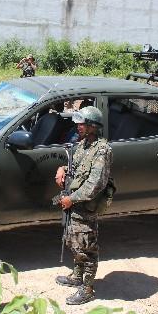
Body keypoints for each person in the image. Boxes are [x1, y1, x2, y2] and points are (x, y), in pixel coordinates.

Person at [53, 106, 114, 305]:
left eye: (82, 124)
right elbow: (75, 165)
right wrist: (62, 168)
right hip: (74, 205)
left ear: (92, 126)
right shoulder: (84, 145)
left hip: (85, 206)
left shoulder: (101, 150)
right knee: (74, 241)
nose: (78, 126)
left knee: (86, 247)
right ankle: (77, 276)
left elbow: (95, 184)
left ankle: (87, 288)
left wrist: (72, 199)